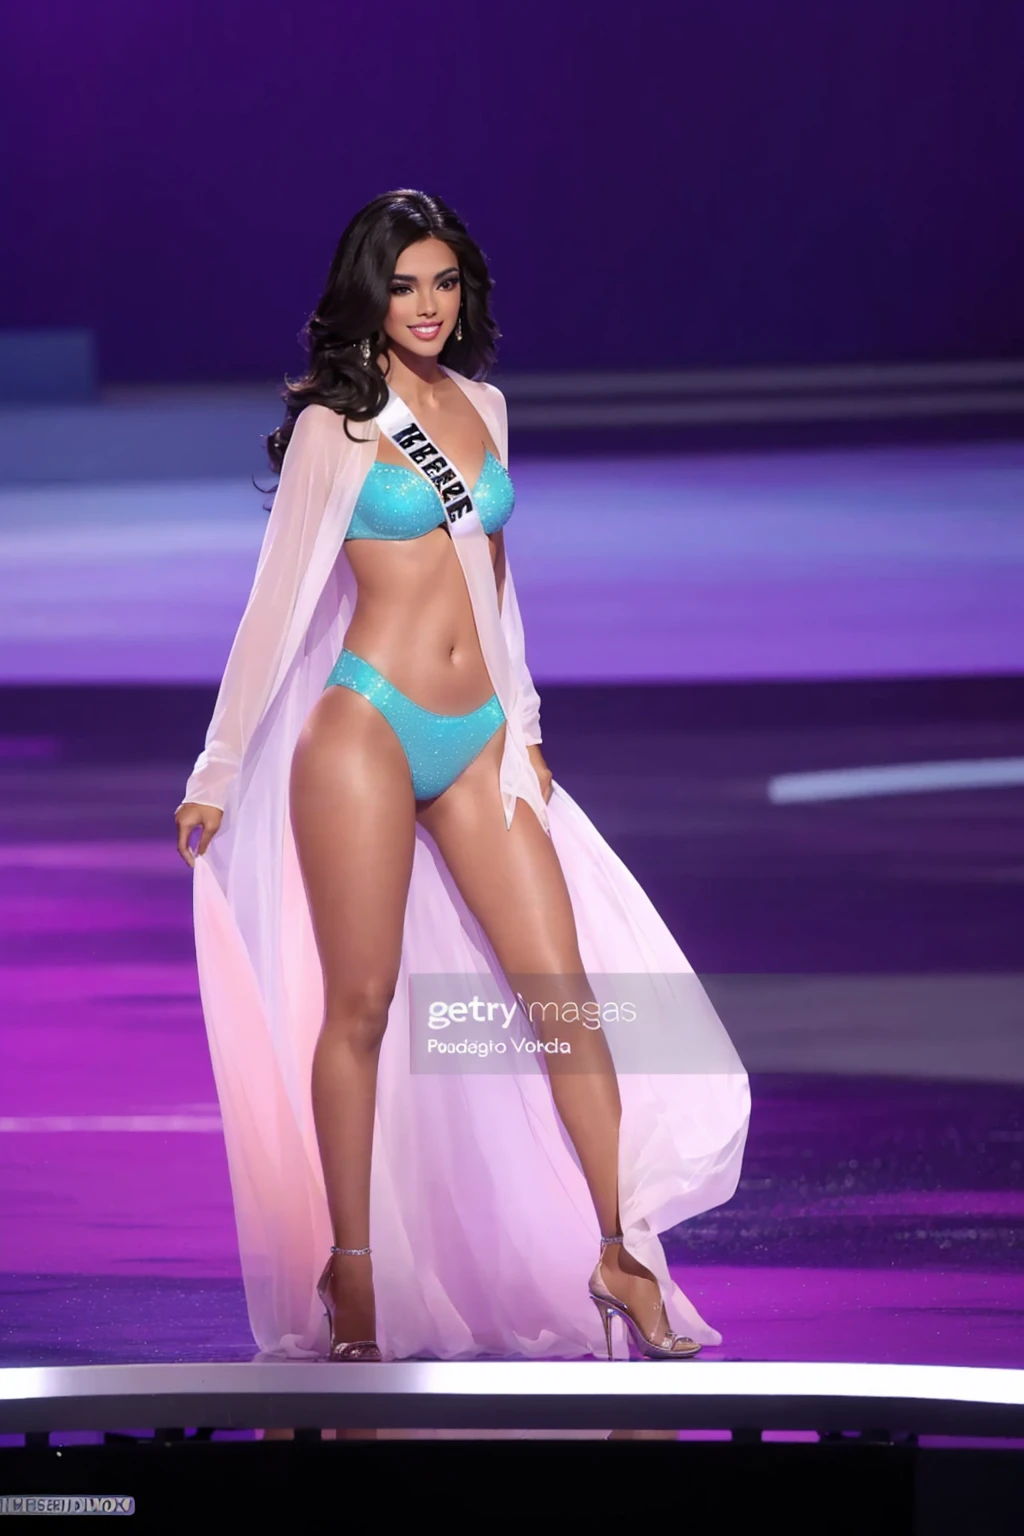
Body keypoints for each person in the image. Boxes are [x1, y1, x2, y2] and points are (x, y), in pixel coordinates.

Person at [174, 189, 749, 1364]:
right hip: (366, 728)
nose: (427, 307)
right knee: (364, 1007)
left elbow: (498, 589)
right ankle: (354, 1274)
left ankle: (620, 1251)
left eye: (443, 284)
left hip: (479, 732)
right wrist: (217, 766)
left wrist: (527, 731)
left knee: (566, 994)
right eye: (403, 286)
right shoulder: (338, 427)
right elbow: (272, 608)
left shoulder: (485, 405)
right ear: (368, 297)